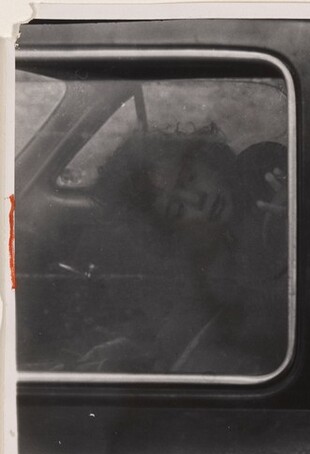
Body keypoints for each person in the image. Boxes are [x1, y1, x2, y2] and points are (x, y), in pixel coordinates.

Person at [74, 129, 289, 374]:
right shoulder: (216, 263)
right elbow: (198, 314)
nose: (197, 200)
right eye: (177, 208)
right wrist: (138, 348)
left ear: (207, 160)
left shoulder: (271, 185)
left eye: (190, 178)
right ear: (173, 232)